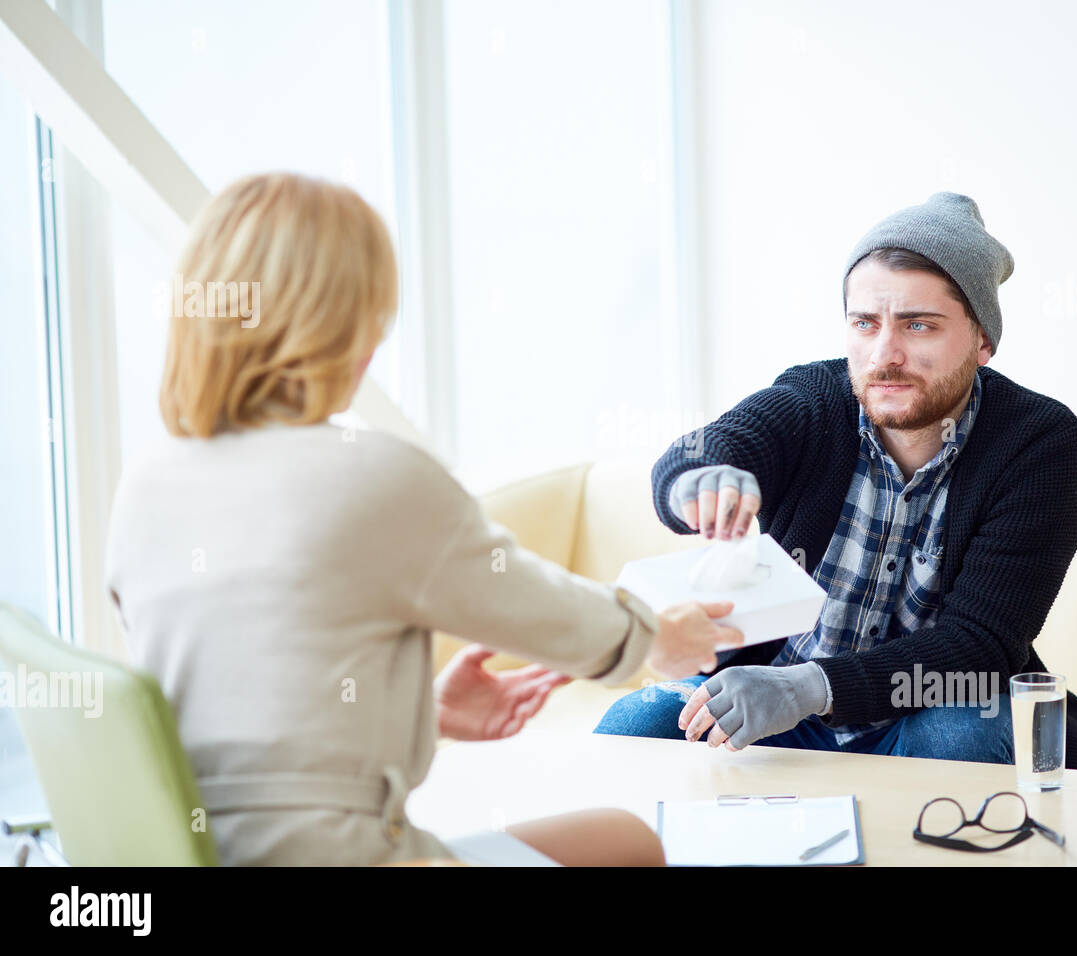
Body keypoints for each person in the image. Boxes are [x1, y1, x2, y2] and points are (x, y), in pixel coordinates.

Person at [104, 172, 742, 867]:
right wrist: (660, 635)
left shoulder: (145, 487)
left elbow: (226, 693)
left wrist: (419, 713)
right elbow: (552, 615)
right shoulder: (371, 476)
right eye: (371, 316)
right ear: (336, 327)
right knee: (630, 843)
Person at [594, 192, 1077, 772]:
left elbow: (983, 645)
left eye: (919, 325)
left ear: (982, 339)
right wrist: (701, 476)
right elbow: (704, 447)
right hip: (775, 706)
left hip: (929, 708)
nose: (886, 355)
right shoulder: (815, 399)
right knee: (630, 729)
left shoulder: (1041, 443)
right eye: (865, 323)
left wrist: (808, 688)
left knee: (965, 740)